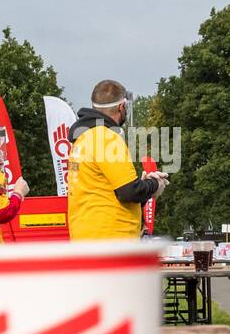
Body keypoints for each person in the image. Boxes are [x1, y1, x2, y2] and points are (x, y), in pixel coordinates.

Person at [67, 80, 167, 240]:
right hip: (111, 239)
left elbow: (109, 192)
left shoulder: (83, 138)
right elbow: (128, 192)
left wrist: (142, 187)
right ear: (122, 107)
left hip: (85, 234)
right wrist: (155, 184)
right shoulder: (107, 137)